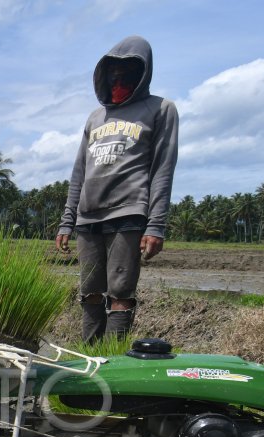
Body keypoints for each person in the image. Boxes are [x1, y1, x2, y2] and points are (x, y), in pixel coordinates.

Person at [55, 35, 179, 343]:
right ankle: (89, 361)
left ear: (143, 72)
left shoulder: (160, 109)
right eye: (114, 71)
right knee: (90, 292)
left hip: (129, 212)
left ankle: (111, 365)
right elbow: (79, 172)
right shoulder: (96, 117)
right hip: (88, 216)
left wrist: (156, 225)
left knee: (121, 291)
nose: (118, 77)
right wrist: (67, 220)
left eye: (127, 71)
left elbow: (163, 169)